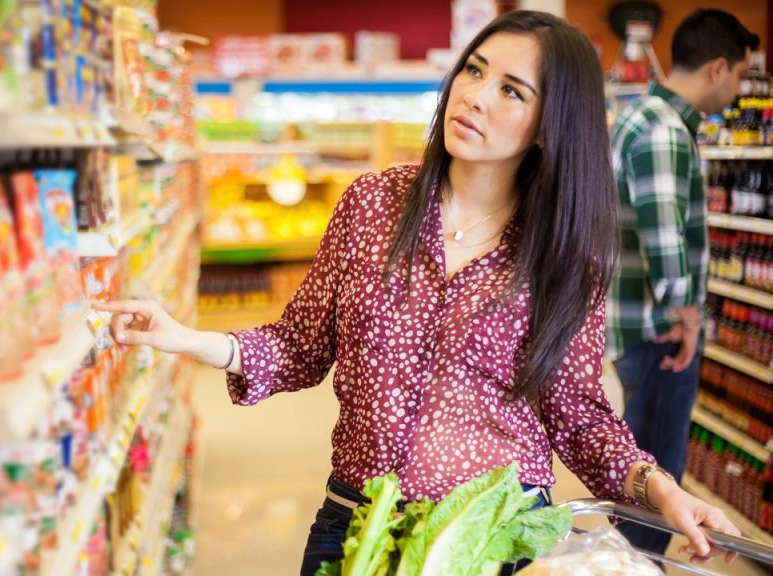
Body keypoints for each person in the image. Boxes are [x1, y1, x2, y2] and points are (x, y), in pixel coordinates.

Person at [97, 10, 740, 575]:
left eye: (512, 90)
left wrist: (661, 490)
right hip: (356, 523)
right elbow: (298, 345)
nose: (477, 97)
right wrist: (185, 337)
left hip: (493, 536)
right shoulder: (374, 202)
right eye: (475, 71)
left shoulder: (565, 254)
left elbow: (575, 411)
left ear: (550, 125)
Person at [606, 9, 758, 559]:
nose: (741, 90)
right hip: (659, 335)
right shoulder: (665, 130)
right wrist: (688, 322)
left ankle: (625, 565)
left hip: (635, 325)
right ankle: (634, 569)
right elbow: (665, 242)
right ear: (717, 68)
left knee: (637, 473)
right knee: (656, 481)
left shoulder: (637, 116)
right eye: (741, 75)